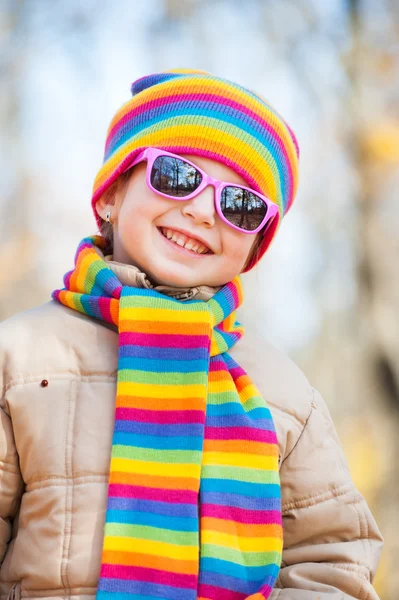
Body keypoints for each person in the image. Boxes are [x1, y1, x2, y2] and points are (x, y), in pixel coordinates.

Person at [0, 69, 382, 600]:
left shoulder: (286, 394)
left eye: (240, 205)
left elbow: (331, 561)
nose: (203, 211)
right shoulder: (21, 360)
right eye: (177, 176)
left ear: (255, 247)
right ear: (111, 193)